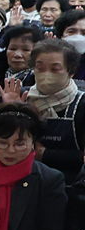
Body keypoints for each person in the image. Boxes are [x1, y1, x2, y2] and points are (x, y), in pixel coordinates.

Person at [16, 37, 85, 181]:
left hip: (70, 185)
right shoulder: (20, 96)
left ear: (70, 71)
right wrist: (11, 111)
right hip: (24, 182)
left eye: (55, 69)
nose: (46, 74)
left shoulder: (81, 104)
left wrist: (46, 154)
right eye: (40, 68)